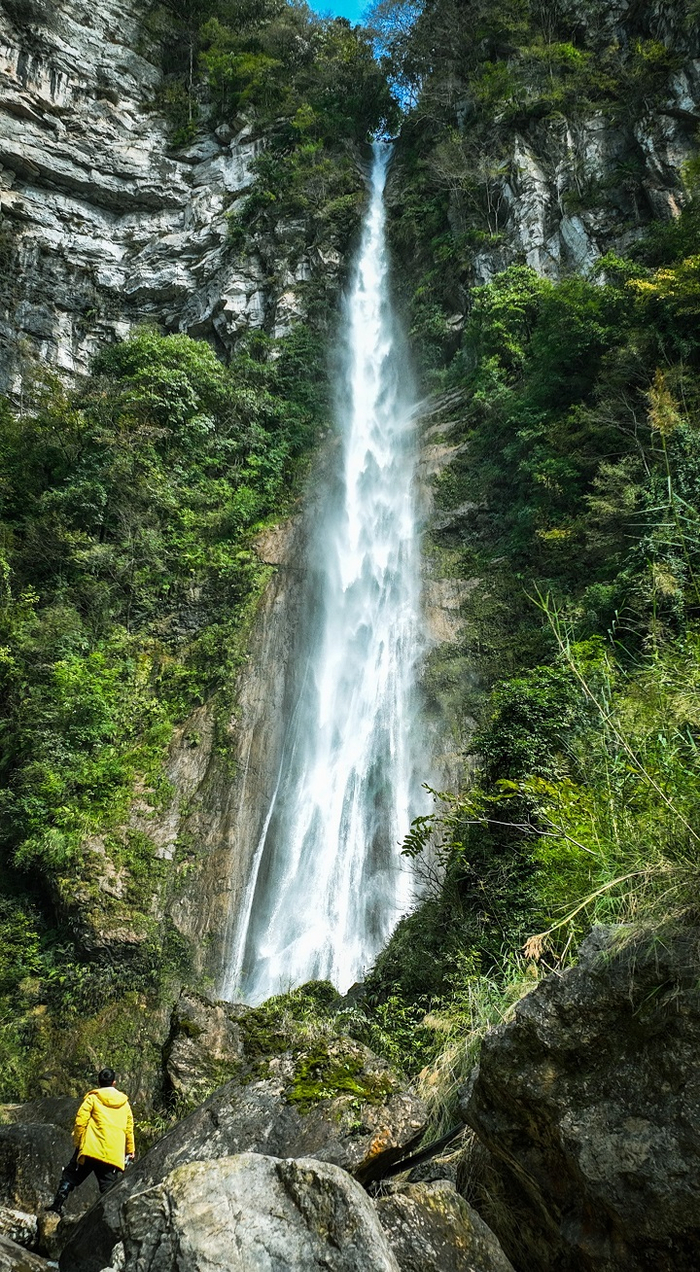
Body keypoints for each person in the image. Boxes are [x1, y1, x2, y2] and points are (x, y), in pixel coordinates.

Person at [48, 1067, 135, 1215]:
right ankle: (111, 1219)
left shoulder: (92, 1098)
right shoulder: (124, 1104)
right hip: (112, 1153)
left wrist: (78, 1141)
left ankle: (57, 1205)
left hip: (90, 1148)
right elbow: (129, 1129)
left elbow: (80, 1121)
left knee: (70, 1176)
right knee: (108, 1187)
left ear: (98, 1082)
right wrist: (130, 1150)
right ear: (114, 1082)